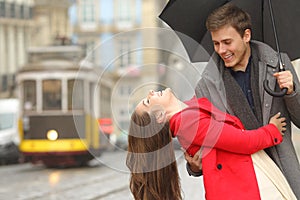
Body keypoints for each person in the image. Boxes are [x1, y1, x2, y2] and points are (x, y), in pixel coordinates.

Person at [184, 3, 300, 198]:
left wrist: (292, 91)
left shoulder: (279, 65)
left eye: (227, 42)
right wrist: (194, 166)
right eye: (216, 43)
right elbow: (207, 144)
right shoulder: (205, 87)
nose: (221, 50)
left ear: (246, 36)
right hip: (239, 183)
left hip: (283, 172)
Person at [126, 88, 297, 200]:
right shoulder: (187, 123)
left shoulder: (186, 117)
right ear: (159, 116)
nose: (150, 92)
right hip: (246, 184)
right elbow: (243, 141)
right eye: (148, 101)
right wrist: (272, 131)